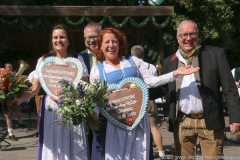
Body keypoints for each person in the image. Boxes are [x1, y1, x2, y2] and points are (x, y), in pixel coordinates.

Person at [89, 27, 199, 160]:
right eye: (107, 42)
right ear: (100, 46)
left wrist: (175, 73)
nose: (111, 45)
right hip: (112, 122)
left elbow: (150, 81)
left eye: (114, 42)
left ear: (120, 44)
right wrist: (93, 118)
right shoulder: (97, 70)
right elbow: (95, 99)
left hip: (137, 121)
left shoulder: (132, 62)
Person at [161, 20, 240, 159]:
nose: (188, 38)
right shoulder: (169, 61)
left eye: (192, 34)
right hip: (182, 121)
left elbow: (230, 88)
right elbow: (162, 88)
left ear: (198, 35)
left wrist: (235, 118)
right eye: (184, 34)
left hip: (209, 119)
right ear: (178, 38)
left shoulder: (215, 54)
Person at [12, 24, 89, 160]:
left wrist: (70, 98)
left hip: (72, 111)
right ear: (52, 41)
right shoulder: (44, 61)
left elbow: (85, 89)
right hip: (52, 112)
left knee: (74, 149)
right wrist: (19, 100)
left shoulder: (78, 61)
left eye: (62, 37)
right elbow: (34, 89)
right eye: (55, 37)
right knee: (54, 150)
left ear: (69, 40)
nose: (58, 40)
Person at [130, 45, 165, 159]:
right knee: (153, 126)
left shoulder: (130, 66)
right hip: (150, 98)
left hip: (137, 100)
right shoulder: (152, 67)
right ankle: (161, 152)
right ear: (143, 55)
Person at [77, 22, 102, 157]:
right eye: (87, 38)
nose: (91, 40)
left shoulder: (109, 55)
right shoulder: (78, 57)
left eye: (94, 37)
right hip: (87, 106)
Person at [2, 62, 27, 141]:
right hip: (4, 99)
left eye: (11, 67)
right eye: (9, 67)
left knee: (18, 111)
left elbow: (18, 87)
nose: (10, 68)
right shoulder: (1, 76)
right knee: (8, 116)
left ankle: (20, 123)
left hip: (13, 97)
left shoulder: (14, 76)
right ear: (5, 68)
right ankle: (11, 134)